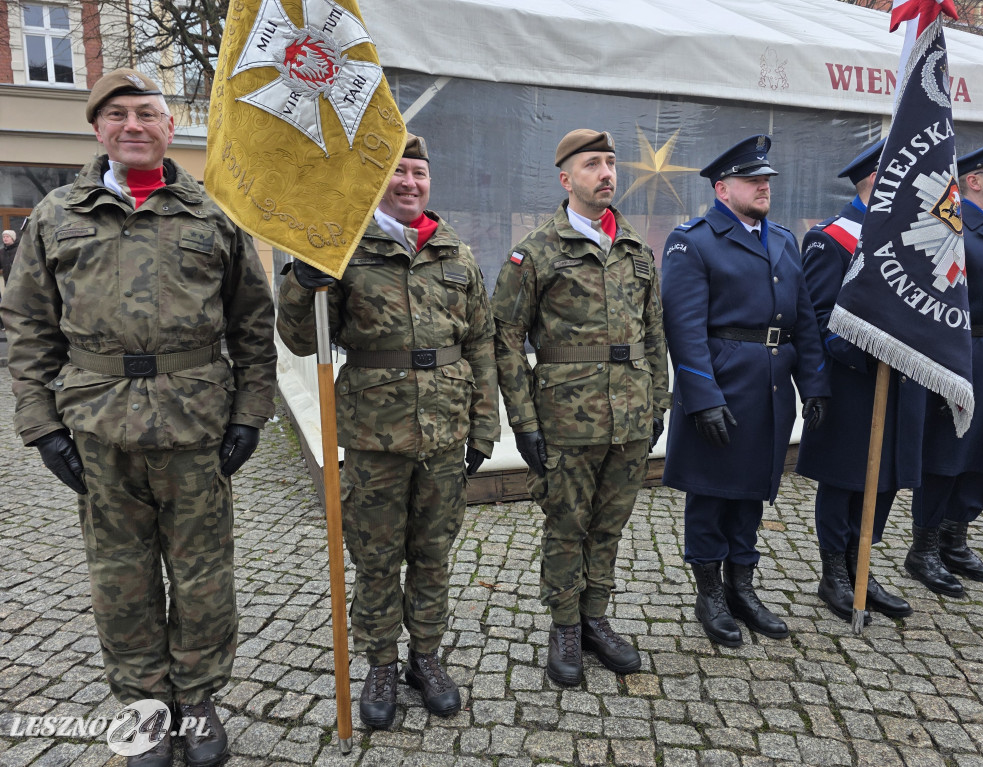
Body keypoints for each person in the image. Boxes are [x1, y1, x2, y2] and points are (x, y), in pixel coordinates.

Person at [0, 68, 277, 767]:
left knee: (203, 575)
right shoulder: (56, 216)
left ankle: (199, 698)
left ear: (168, 124)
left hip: (196, 428)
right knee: (120, 579)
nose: (133, 125)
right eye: (117, 114)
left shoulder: (213, 217)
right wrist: (40, 425)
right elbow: (28, 327)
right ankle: (147, 703)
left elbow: (252, 324)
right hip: (97, 430)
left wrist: (250, 414)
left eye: (147, 113)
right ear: (96, 128)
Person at [276, 134, 500, 730]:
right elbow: (301, 338)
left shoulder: (456, 252)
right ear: (378, 182)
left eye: (418, 172)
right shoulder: (345, 249)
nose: (408, 182)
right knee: (376, 558)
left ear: (430, 181)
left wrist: (484, 426)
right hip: (376, 436)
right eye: (396, 172)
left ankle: (425, 658)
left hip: (447, 432)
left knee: (432, 554)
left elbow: (480, 341)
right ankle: (380, 661)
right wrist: (301, 280)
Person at [490, 129, 670, 686]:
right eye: (593, 164)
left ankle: (596, 618)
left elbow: (656, 335)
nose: (606, 173)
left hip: (631, 418)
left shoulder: (636, 249)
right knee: (567, 526)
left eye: (611, 163)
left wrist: (658, 400)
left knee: (609, 525)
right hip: (567, 420)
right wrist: (523, 422)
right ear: (566, 179)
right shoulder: (538, 250)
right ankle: (565, 625)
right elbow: (506, 338)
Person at [661, 134, 829, 647]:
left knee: (753, 491)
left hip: (771, 387)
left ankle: (742, 586)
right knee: (711, 495)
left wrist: (815, 384)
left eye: (767, 180)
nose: (763, 186)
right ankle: (709, 592)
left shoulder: (781, 239)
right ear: (721, 188)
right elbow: (684, 329)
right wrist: (703, 397)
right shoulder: (693, 240)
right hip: (724, 385)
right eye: (751, 180)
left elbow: (803, 322)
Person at [796, 140, 920, 622]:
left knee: (886, 477)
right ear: (876, 179)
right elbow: (818, 318)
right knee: (845, 480)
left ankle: (861, 565)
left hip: (902, 384)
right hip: (853, 383)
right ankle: (834, 574)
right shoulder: (833, 239)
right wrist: (874, 352)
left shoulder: (910, 236)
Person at [908, 135, 983, 593]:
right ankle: (924, 548)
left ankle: (956, 541)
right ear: (974, 181)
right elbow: (936, 302)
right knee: (948, 455)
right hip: (967, 356)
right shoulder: (951, 230)